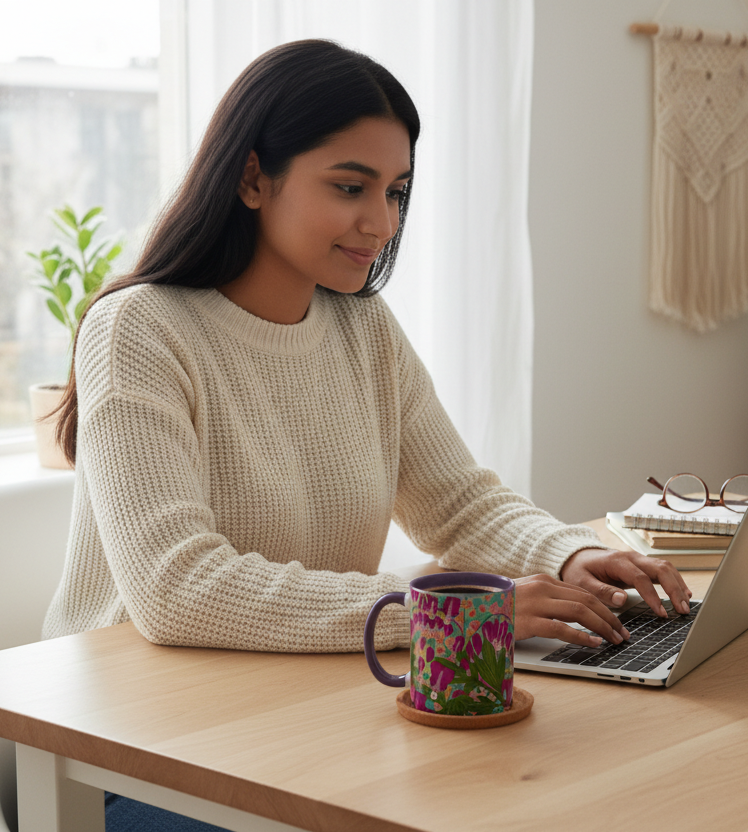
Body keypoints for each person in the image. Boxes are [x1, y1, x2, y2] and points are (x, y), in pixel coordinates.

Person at [41, 38, 691, 830]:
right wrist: (444, 616)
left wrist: (570, 554)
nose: (381, 221)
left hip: (306, 712)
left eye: (396, 190)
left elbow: (457, 502)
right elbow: (177, 590)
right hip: (135, 750)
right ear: (253, 177)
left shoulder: (361, 327)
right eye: (351, 186)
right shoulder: (139, 330)